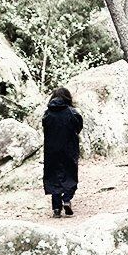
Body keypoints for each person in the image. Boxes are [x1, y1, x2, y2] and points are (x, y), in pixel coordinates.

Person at [41, 86, 83, 218]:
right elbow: (78, 127)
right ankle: (67, 199)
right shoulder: (72, 112)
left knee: (54, 177)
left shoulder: (47, 113)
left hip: (51, 150)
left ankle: (56, 209)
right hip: (69, 149)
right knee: (70, 175)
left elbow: (45, 128)